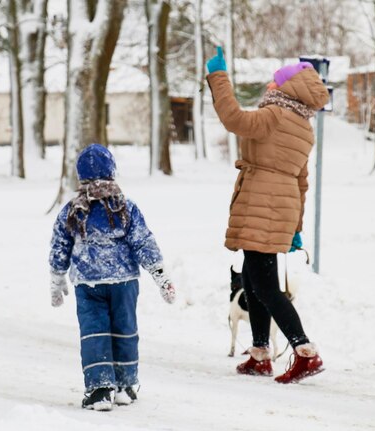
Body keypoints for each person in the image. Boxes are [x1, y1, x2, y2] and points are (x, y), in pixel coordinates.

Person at [206, 47, 329, 383]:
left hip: (262, 203)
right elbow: (302, 180)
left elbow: (233, 119)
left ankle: (306, 352)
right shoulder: (303, 125)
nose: (269, 89)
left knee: (264, 285)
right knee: (253, 277)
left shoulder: (274, 115)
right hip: (280, 206)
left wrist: (218, 75)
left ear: (285, 89)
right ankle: (260, 352)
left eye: (274, 84)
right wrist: (296, 228)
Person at [49, 144, 176, 411]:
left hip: (88, 283)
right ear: (112, 172)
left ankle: (99, 389)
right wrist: (160, 275)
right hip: (124, 282)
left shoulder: (72, 210)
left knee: (94, 333)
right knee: (125, 331)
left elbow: (60, 245)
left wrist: (56, 278)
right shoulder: (124, 207)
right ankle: (125, 385)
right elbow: (143, 242)